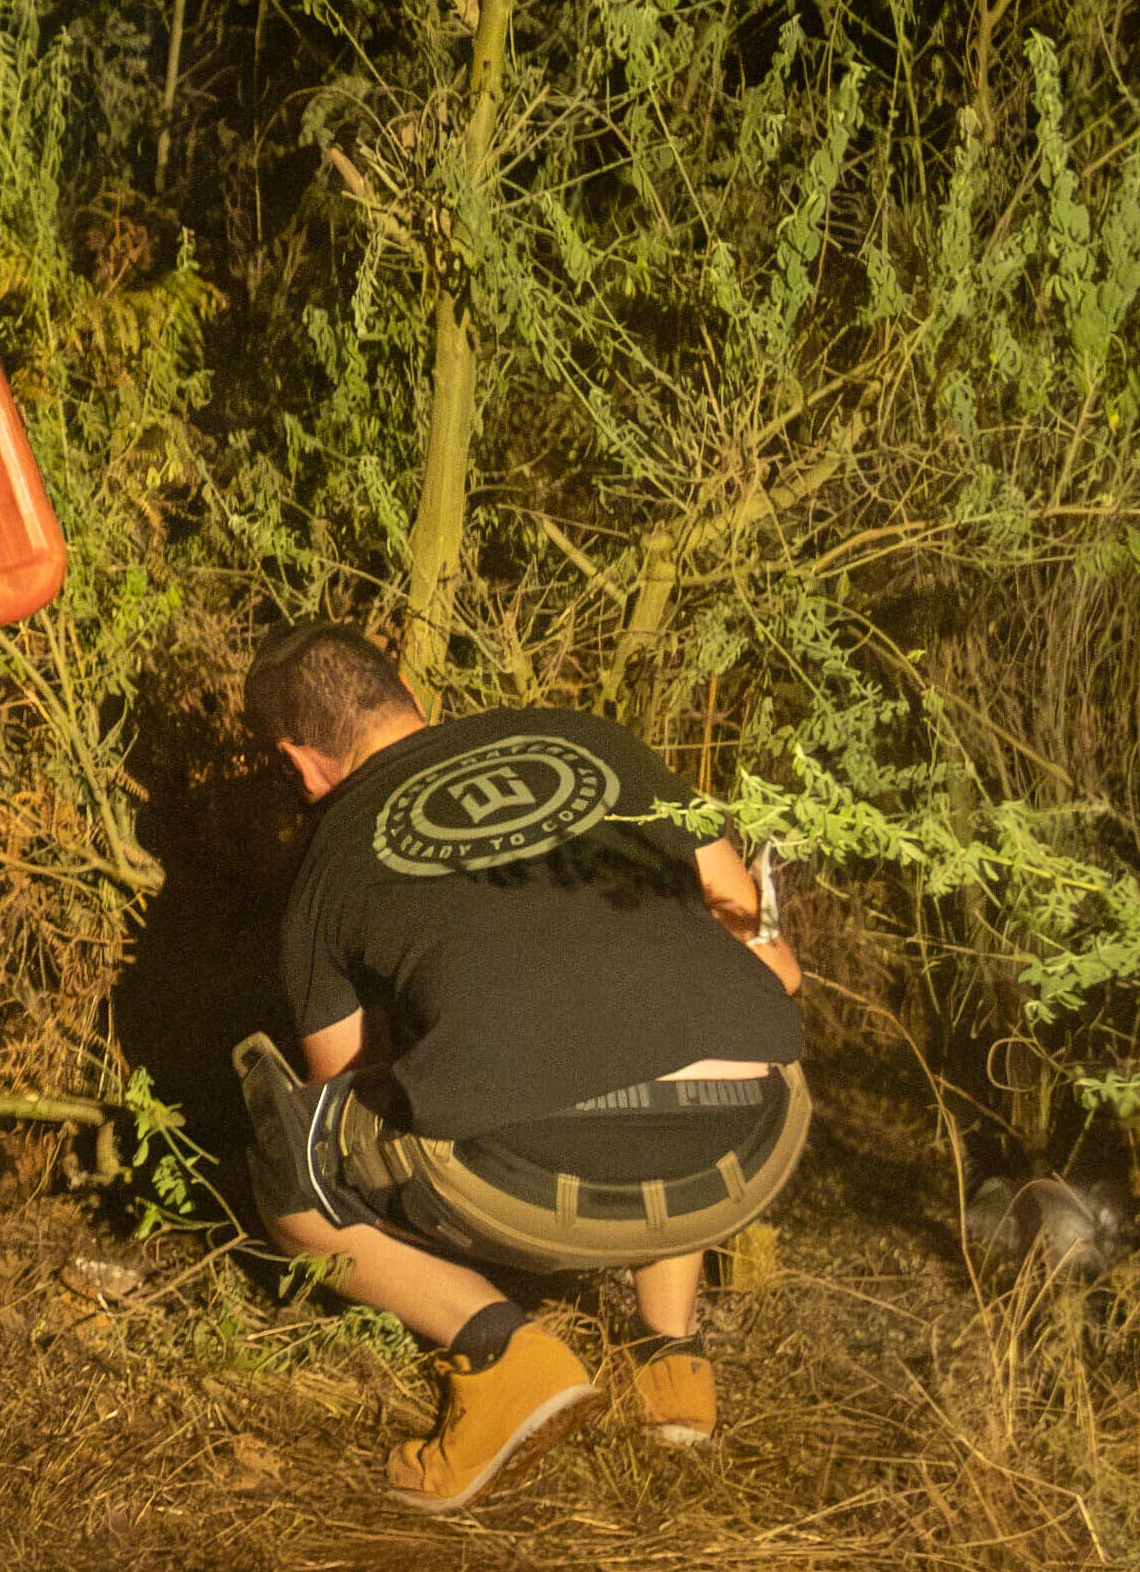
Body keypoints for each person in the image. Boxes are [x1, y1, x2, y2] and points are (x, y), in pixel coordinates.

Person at [236, 622, 811, 1513]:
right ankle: (672, 1361)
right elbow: (770, 957)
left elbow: (341, 1087)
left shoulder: (324, 861)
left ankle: (504, 1354)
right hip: (749, 1143)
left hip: (544, 1169)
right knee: (672, 990)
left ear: (300, 763)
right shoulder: (590, 739)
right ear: (409, 692)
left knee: (292, 1152)